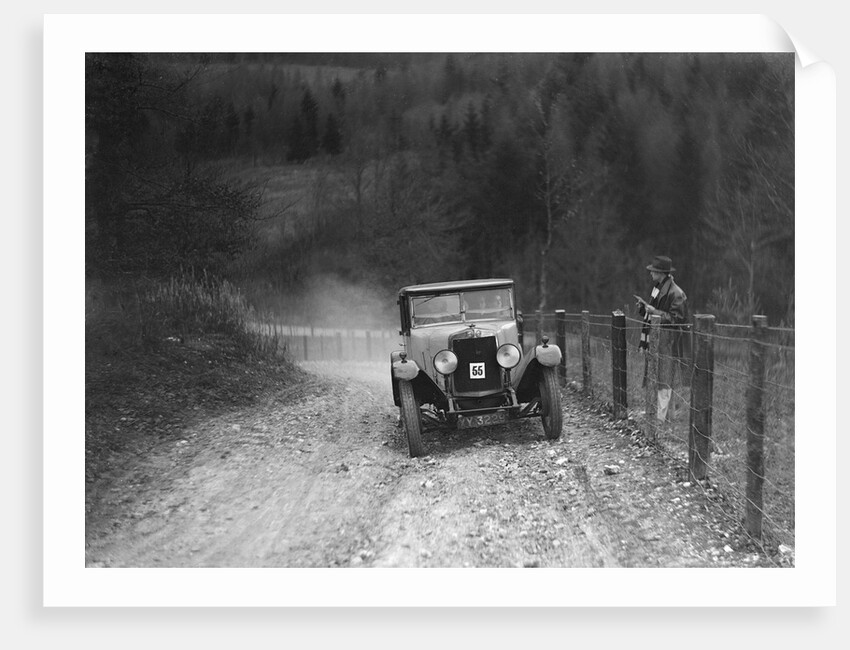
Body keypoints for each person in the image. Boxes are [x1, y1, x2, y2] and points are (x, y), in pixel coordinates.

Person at [636, 255, 689, 422]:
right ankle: (658, 414)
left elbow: (676, 319)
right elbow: (656, 312)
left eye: (653, 271)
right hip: (658, 338)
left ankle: (661, 417)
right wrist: (644, 309)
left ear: (661, 273)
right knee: (655, 374)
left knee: (664, 377)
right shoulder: (659, 288)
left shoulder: (676, 293)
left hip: (668, 341)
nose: (651, 273)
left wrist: (653, 312)